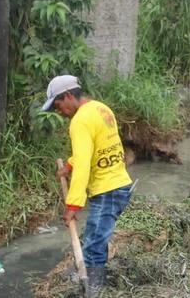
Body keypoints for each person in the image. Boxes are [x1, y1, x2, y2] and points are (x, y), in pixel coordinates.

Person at [42, 75, 133, 295]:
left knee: (93, 243)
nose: (59, 112)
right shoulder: (101, 109)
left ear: (69, 96)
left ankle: (94, 290)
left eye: (58, 105)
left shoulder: (79, 121)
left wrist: (73, 206)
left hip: (107, 189)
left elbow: (84, 163)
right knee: (96, 235)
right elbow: (99, 146)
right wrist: (69, 166)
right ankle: (93, 281)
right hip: (120, 184)